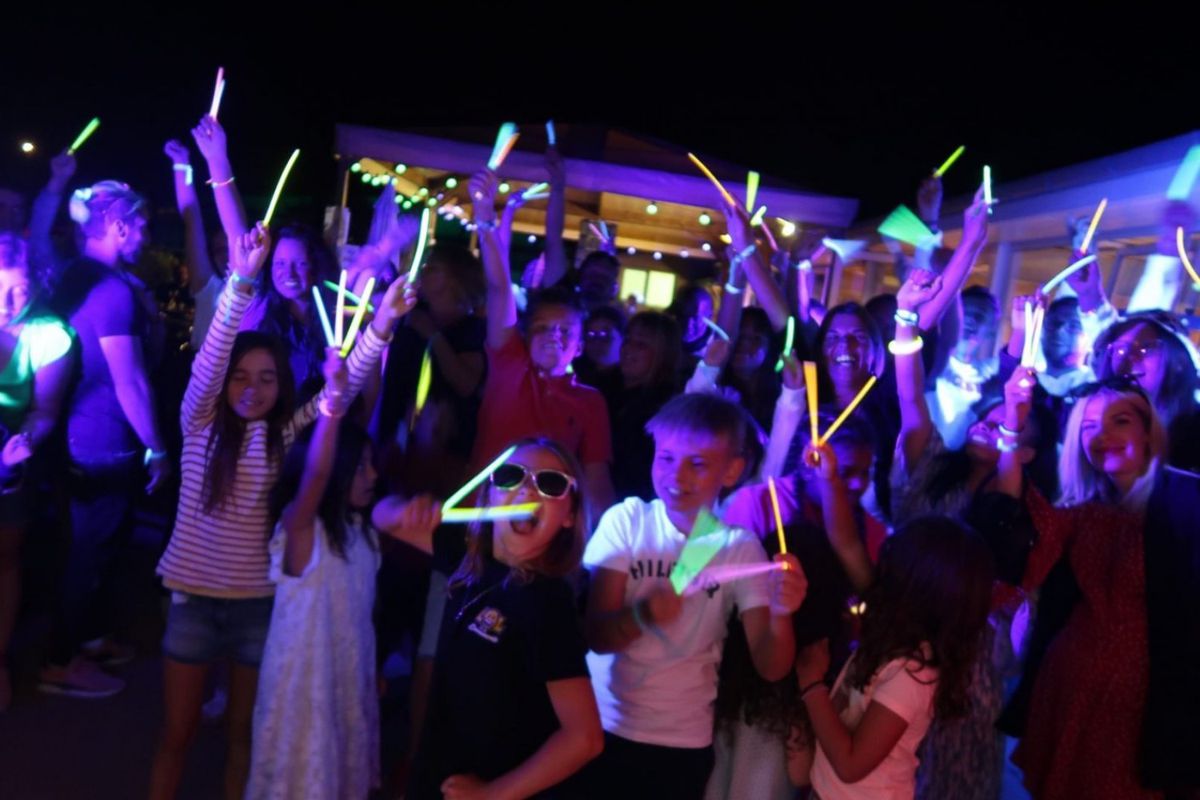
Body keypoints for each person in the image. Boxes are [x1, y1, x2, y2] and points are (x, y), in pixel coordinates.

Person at [148, 225, 414, 800]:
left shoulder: (283, 435)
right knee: (177, 735)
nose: (253, 388)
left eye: (267, 379)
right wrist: (243, 278)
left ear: (281, 387)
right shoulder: (199, 422)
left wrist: (383, 325)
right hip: (193, 603)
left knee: (242, 738)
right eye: (241, 377)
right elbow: (214, 351)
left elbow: (342, 388)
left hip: (255, 607)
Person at [581, 393, 806, 800]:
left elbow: (771, 666)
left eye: (697, 464)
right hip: (603, 723)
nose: (676, 475)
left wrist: (781, 609)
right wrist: (642, 616)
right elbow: (596, 634)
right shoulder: (628, 520)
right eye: (666, 458)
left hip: (682, 741)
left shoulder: (738, 547)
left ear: (732, 470)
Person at [993, 374, 1200, 798]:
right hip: (1073, 683)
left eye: (1119, 421)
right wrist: (1012, 424)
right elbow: (1012, 533)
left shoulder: (1188, 499)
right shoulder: (1081, 512)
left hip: (1150, 697)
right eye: (1089, 427)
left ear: (1148, 432)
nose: (1102, 435)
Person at [377, 438, 604, 799]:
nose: (527, 489)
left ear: (570, 516)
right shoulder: (468, 556)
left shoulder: (549, 603)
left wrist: (491, 794)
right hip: (437, 773)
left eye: (550, 483)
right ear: (489, 495)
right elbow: (382, 516)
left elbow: (585, 738)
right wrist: (410, 509)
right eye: (511, 475)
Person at [42, 179, 170, 697]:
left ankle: (89, 638)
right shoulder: (114, 291)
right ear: (118, 226)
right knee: (87, 555)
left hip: (73, 435)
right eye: (141, 227)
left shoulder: (74, 275)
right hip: (103, 441)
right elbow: (129, 380)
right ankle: (59, 661)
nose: (145, 237)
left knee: (87, 548)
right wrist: (158, 447)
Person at [245, 352, 384, 799]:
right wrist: (334, 401)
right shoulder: (304, 531)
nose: (373, 474)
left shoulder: (362, 533)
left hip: (345, 677)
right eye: (360, 465)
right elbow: (317, 473)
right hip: (303, 688)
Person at [795, 516, 995, 798]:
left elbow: (850, 766)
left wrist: (811, 684)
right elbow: (846, 541)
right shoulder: (896, 635)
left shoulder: (911, 674)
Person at [470, 168, 615, 518]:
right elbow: (499, 288)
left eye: (565, 330)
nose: (553, 336)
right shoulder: (509, 362)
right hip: (480, 522)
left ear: (579, 346)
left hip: (544, 528)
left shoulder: (590, 402)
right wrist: (486, 215)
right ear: (525, 333)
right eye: (543, 328)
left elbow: (596, 479)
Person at [0, 233, 73, 711]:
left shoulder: (49, 334)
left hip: (9, 462)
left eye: (20, 289)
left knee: (5, 560)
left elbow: (45, 409)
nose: (9, 303)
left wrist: (21, 443)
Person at [609, 311, 682, 501]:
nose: (628, 349)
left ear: (662, 354)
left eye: (641, 345)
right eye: (628, 340)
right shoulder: (604, 387)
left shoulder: (665, 408)